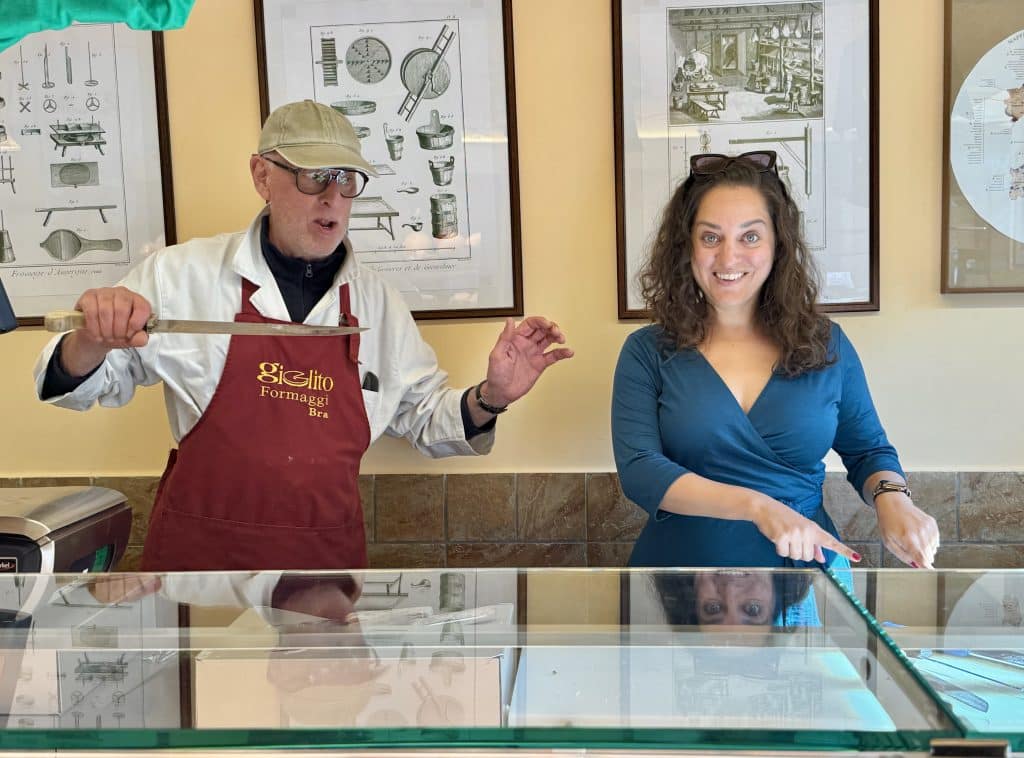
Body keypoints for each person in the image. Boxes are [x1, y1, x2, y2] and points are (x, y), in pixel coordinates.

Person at [34, 99, 573, 572]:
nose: (333, 198)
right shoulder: (180, 276)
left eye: (346, 179)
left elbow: (425, 416)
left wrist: (493, 396)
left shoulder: (376, 302)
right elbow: (82, 385)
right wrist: (95, 337)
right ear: (262, 176)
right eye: (314, 176)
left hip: (323, 587)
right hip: (199, 576)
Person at [612, 150, 939, 572]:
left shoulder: (825, 344)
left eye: (750, 236)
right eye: (711, 237)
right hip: (681, 578)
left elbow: (868, 451)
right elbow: (640, 471)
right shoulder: (647, 351)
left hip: (802, 577)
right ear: (686, 246)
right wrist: (758, 507)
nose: (729, 258)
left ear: (777, 244)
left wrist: (893, 499)